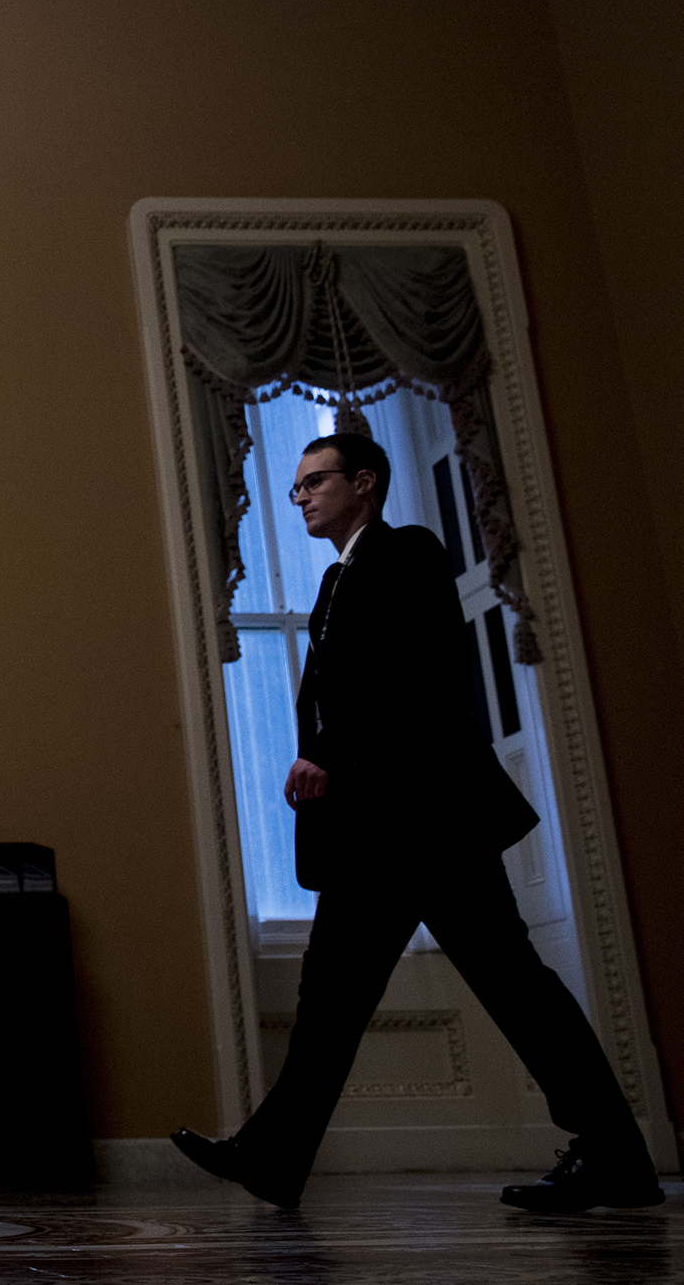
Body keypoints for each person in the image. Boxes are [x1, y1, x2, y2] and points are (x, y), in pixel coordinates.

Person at [172, 434, 662, 1213]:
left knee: (512, 987)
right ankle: (274, 1156)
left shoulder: (409, 553)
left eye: (315, 482)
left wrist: (328, 753)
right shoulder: (336, 580)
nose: (301, 498)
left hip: (430, 823)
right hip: (376, 831)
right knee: (334, 995)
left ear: (365, 482)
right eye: (296, 488)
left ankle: (615, 1157)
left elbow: (408, 673)